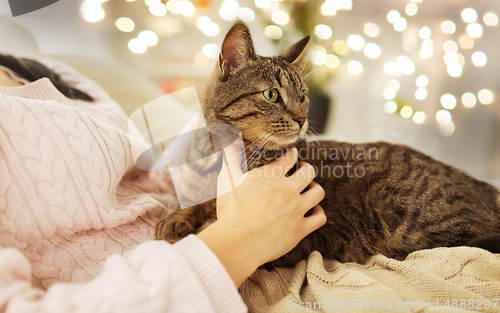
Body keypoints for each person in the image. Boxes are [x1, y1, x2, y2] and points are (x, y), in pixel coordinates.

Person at [0, 56, 326, 313]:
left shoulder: (59, 73)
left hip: (264, 248)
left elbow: (147, 171)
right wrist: (239, 239)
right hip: (218, 275)